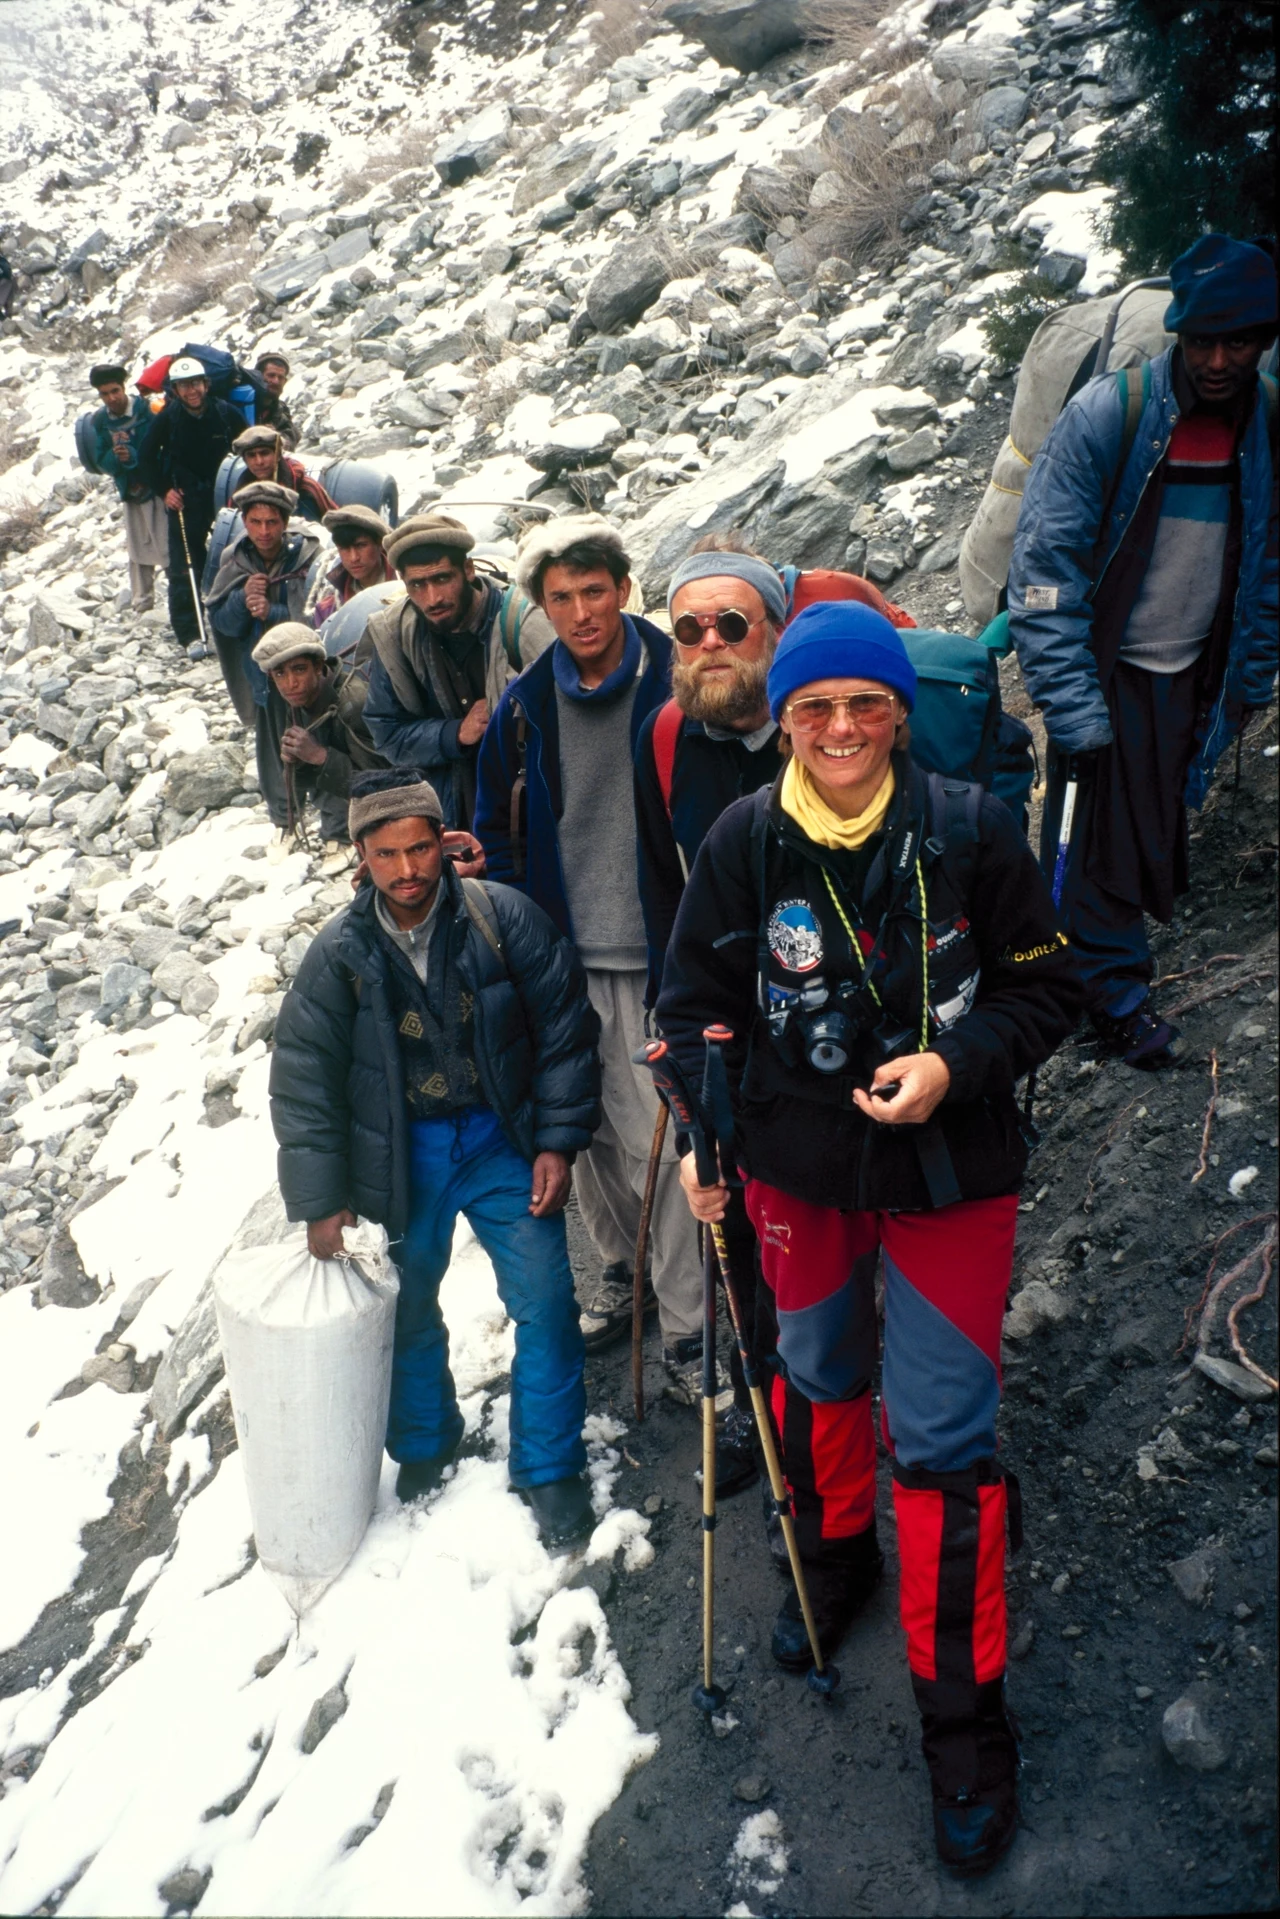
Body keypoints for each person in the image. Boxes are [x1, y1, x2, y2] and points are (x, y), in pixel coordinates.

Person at [658, 600, 1081, 1875]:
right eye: (813, 708)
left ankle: (962, 1720)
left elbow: (1048, 983)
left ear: (898, 713)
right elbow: (692, 1008)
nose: (839, 729)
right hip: (798, 1162)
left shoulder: (968, 830)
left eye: (864, 706)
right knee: (819, 1365)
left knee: (944, 1430)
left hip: (950, 1162)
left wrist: (957, 1061)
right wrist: (700, 1124)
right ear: (782, 718)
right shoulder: (743, 839)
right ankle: (830, 1558)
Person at [268, 767, 602, 1546]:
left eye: (419, 848)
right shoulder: (339, 955)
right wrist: (321, 1201)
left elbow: (563, 1028)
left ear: (441, 842)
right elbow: (304, 1083)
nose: (408, 869)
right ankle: (424, 1442)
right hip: (401, 1156)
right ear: (361, 855)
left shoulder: (501, 918)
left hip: (498, 1139)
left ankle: (550, 1465)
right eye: (387, 854)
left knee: (547, 1303)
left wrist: (556, 1139)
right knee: (405, 1308)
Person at [1009, 232, 1278, 1068]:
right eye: (1204, 342)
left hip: (1196, 670)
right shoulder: (1110, 417)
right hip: (1107, 668)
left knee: (1150, 823)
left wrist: (1252, 673)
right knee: (1097, 840)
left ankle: (1086, 980)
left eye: (1240, 342)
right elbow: (1044, 574)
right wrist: (1075, 709)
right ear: (1181, 336)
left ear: (1264, 341)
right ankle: (1112, 999)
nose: (1221, 360)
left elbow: (1269, 561)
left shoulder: (1269, 427)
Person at [474, 516, 710, 1405]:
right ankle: (627, 1270)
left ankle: (690, 1326)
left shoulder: (676, 673)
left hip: (663, 953)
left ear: (621, 589)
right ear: (542, 605)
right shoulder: (529, 703)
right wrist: (521, 927)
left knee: (670, 1136)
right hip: (566, 956)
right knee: (590, 1129)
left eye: (595, 591)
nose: (581, 613)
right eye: (561, 598)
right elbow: (494, 820)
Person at [633, 537, 787, 1486]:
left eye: (733, 623)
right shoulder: (667, 741)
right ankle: (762, 1412)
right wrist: (676, 1053)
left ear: (773, 630)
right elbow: (666, 899)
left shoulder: (825, 720)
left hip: (851, 1014)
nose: (711, 643)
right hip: (732, 1027)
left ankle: (854, 1408)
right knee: (735, 1228)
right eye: (690, 629)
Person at [362, 513, 554, 829]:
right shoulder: (395, 634)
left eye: (441, 579)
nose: (432, 598)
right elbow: (386, 733)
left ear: (468, 570)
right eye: (417, 585)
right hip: (451, 811)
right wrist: (454, 733)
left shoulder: (523, 623)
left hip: (530, 805)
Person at [248, 623, 387, 861]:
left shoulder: (353, 704)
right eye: (280, 673)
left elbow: (384, 786)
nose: (290, 683)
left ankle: (343, 834)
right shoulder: (299, 701)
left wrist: (319, 756)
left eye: (299, 669)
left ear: (319, 667)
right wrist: (297, 761)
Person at [139, 355, 247, 655]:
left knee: (238, 555)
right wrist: (165, 491)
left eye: (196, 383)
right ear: (174, 390)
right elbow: (145, 459)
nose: (191, 391)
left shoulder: (227, 414)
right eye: (184, 386)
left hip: (227, 497)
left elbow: (250, 450)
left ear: (206, 384)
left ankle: (238, 618)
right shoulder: (167, 419)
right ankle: (190, 633)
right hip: (186, 501)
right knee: (186, 564)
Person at [205, 479, 322, 736]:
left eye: (272, 522)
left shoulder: (307, 559)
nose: (264, 531)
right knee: (274, 751)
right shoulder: (235, 560)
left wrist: (273, 613)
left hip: (306, 681)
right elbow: (224, 626)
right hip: (263, 679)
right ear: (245, 523)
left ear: (285, 523)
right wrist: (241, 599)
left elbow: (318, 621)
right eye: (255, 522)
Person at [87, 364, 168, 613]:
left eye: (115, 391)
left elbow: (163, 449)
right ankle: (142, 602)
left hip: (157, 488)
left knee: (166, 546)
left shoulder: (148, 410)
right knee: (137, 547)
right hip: (130, 492)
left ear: (123, 388)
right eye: (105, 394)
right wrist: (116, 459)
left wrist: (134, 456)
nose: (111, 398)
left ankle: (182, 596)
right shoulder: (101, 421)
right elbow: (100, 458)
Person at [310, 504, 397, 626]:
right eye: (344, 548)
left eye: (361, 545)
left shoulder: (408, 588)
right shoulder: (329, 610)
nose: (354, 558)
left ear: (379, 543)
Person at [231, 424, 336, 521]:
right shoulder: (242, 492)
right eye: (252, 455)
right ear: (245, 460)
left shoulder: (304, 491)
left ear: (278, 455)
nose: (259, 462)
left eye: (264, 453)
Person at [254, 349, 298, 447]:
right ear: (257, 376)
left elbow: (292, 437)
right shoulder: (240, 403)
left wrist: (278, 439)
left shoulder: (280, 410)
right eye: (271, 375)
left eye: (280, 377)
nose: (276, 381)